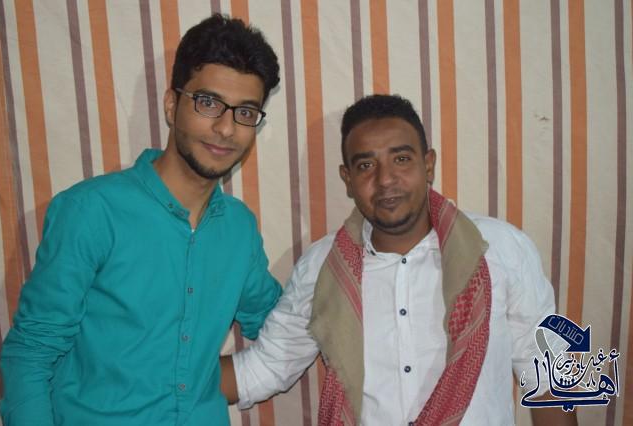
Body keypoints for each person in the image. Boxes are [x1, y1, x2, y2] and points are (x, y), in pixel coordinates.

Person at [221, 95, 577, 425]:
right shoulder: (322, 269)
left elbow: (548, 375)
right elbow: (267, 367)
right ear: (348, 179)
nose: (386, 179)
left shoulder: (499, 248)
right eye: (366, 165)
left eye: (401, 159)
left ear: (428, 164)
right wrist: (183, 370)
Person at [0, 13, 282, 426]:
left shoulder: (239, 228)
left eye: (245, 112)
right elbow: (31, 352)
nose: (226, 128)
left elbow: (281, 321)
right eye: (208, 103)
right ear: (172, 104)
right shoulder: (91, 211)